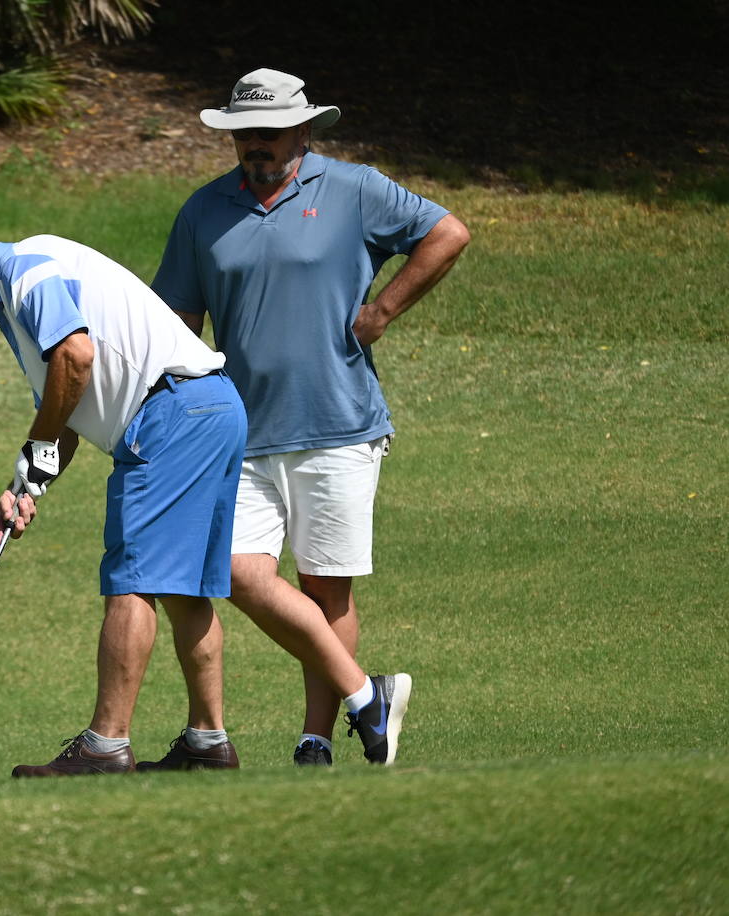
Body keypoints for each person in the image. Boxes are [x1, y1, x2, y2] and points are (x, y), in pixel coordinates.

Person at [152, 68, 471, 767]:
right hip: (241, 430)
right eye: (243, 135)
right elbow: (178, 325)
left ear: (302, 130)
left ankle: (316, 741)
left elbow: (447, 232)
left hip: (339, 423)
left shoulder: (355, 189)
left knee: (326, 584)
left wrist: (382, 310)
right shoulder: (204, 211)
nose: (254, 145)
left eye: (267, 133)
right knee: (234, 572)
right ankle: (367, 695)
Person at [0, 224, 248, 777]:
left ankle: (105, 746)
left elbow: (76, 357)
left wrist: (37, 447)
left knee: (131, 580)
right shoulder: (15, 305)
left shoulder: (27, 268)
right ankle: (207, 741)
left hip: (170, 414)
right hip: (208, 409)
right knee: (183, 591)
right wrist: (27, 487)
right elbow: (66, 414)